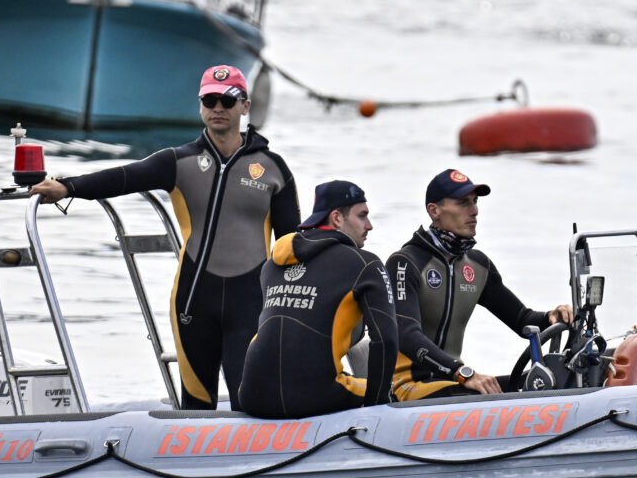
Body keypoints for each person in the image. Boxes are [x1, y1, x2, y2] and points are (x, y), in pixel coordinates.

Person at [29, 64, 300, 410]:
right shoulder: (179, 161)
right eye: (210, 100)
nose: (218, 108)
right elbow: (125, 176)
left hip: (251, 303)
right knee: (196, 403)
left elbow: (291, 246)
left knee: (247, 398)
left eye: (228, 101)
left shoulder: (273, 169)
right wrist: (68, 186)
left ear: (245, 106)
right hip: (192, 302)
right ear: (201, 105)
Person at [387, 168, 573, 400]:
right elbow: (406, 334)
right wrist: (463, 372)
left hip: (452, 382)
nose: (474, 211)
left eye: (475, 202)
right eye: (462, 203)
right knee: (493, 393)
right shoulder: (405, 263)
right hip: (407, 387)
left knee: (547, 382)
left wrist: (552, 317)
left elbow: (522, 320)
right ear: (434, 211)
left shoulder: (478, 266)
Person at [238, 180, 398, 418]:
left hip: (251, 397)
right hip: (315, 397)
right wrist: (378, 406)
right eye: (362, 215)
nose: (370, 225)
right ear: (336, 218)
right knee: (397, 393)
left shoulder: (272, 264)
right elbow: (386, 339)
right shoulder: (365, 263)